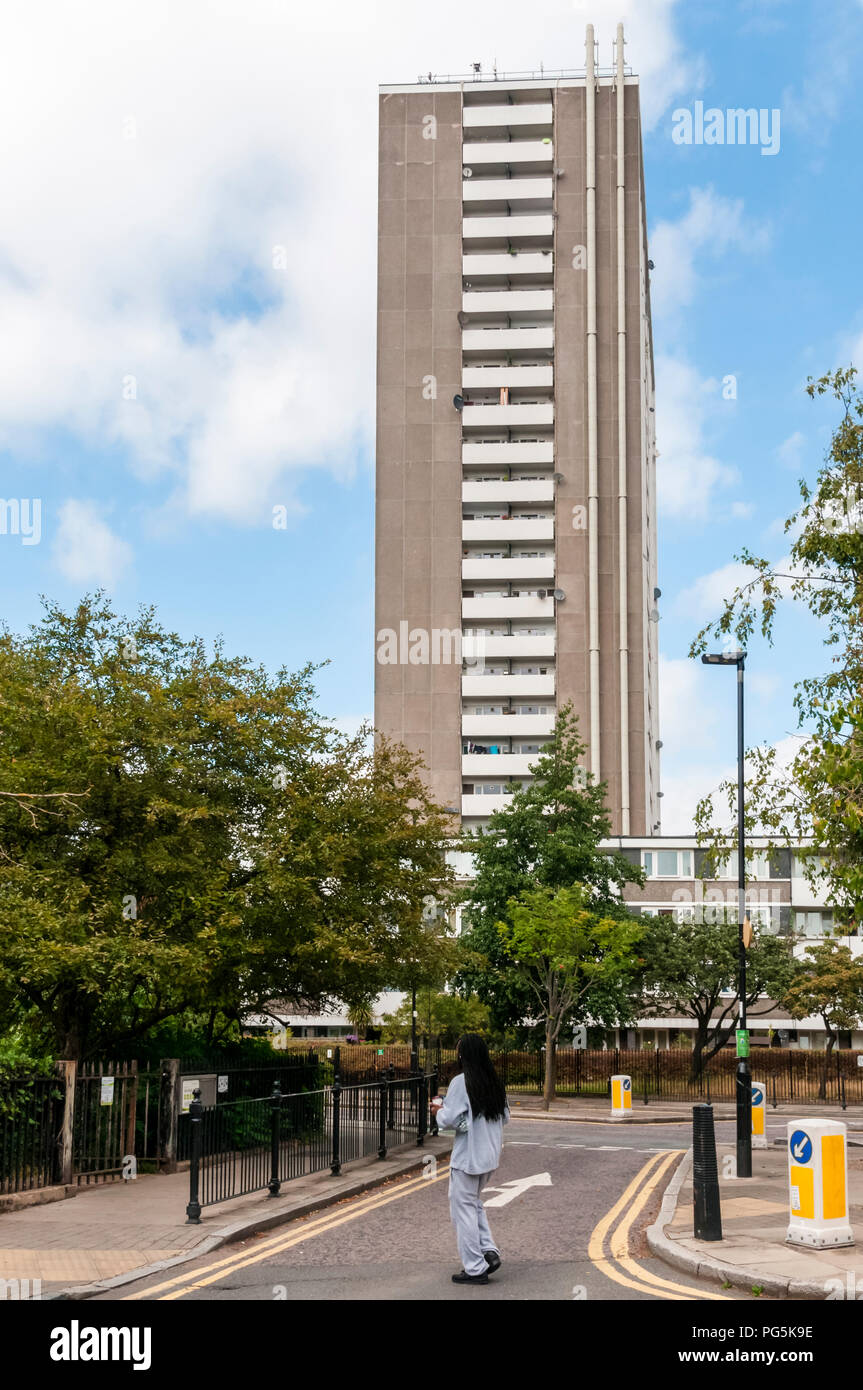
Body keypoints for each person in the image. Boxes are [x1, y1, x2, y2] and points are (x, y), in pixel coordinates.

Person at [432, 1033, 509, 1285]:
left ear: (463, 1055)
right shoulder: (494, 1082)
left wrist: (438, 1110)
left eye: (459, 1051)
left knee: (461, 1211)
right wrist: (467, 1122)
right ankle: (489, 1252)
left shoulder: (460, 1082)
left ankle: (475, 1268)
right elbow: (503, 1117)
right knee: (473, 1204)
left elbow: (449, 1119)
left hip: (467, 1159)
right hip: (489, 1157)